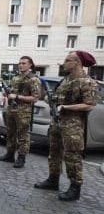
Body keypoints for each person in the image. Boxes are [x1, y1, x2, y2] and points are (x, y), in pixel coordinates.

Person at [34, 51, 98, 201]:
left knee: (72, 156)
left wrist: (66, 107)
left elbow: (89, 105)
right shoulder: (65, 80)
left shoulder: (86, 82)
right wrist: (51, 102)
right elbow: (57, 98)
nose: (64, 63)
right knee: (54, 152)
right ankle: (53, 180)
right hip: (57, 123)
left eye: (67, 60)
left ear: (77, 63)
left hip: (73, 126)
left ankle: (75, 187)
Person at [0, 56, 41, 168]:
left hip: (24, 112)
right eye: (19, 63)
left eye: (24, 63)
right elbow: (11, 92)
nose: (21, 65)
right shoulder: (15, 78)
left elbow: (35, 98)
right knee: (10, 133)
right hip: (11, 109)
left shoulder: (33, 79)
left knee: (23, 135)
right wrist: (6, 93)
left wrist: (17, 96)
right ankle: (10, 155)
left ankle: (21, 157)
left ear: (30, 65)